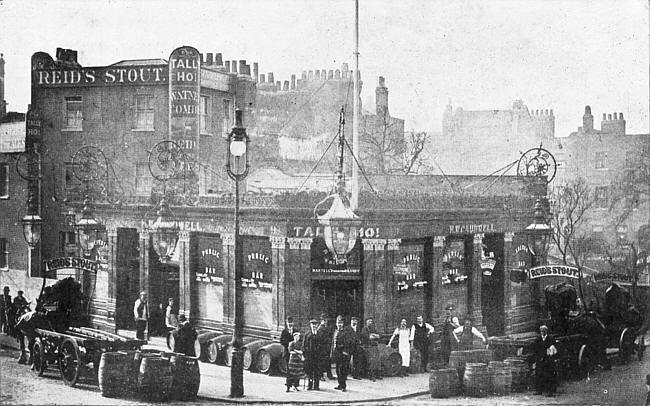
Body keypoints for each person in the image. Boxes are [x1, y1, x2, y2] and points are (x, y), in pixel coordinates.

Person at [531, 325, 559, 397]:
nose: (542, 333)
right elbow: (535, 349)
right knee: (539, 374)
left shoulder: (551, 339)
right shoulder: (538, 339)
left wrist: (549, 354)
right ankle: (539, 390)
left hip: (548, 359)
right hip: (540, 359)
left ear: (546, 331)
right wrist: (537, 357)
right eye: (541, 331)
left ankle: (549, 391)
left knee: (549, 375)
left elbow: (553, 349)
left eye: (543, 331)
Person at [332, 315, 355, 391]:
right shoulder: (335, 331)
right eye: (338, 323)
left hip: (343, 354)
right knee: (337, 370)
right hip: (337, 354)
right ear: (336, 323)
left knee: (343, 370)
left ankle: (343, 386)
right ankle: (340, 384)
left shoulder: (346, 332)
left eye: (341, 323)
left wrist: (345, 352)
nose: (339, 324)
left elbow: (349, 343)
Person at [303, 318, 322, 391]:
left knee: (317, 371)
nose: (314, 326)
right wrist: (305, 355)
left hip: (317, 356)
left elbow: (323, 345)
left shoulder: (320, 334)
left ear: (317, 325)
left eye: (315, 324)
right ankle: (310, 385)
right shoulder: (307, 334)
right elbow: (304, 345)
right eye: (312, 324)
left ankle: (316, 386)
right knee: (310, 372)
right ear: (310, 325)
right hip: (309, 356)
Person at [316, 313, 334, 379]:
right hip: (322, 347)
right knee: (321, 361)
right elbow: (321, 338)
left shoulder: (327, 327)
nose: (325, 321)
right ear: (321, 321)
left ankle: (329, 374)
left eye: (326, 320)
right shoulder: (320, 328)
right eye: (324, 320)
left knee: (328, 361)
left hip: (327, 347)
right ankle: (320, 375)